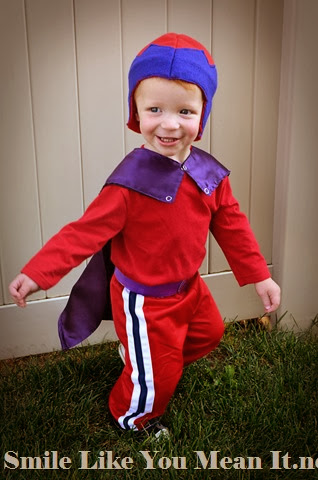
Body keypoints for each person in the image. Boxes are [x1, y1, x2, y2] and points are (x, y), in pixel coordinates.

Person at [9, 33, 280, 437]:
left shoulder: (208, 174)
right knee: (161, 375)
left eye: (185, 111)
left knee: (209, 333)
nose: (170, 124)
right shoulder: (128, 185)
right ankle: (133, 417)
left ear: (202, 115)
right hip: (145, 300)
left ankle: (146, 362)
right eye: (155, 109)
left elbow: (232, 223)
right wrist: (37, 274)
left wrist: (259, 274)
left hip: (189, 288)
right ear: (136, 112)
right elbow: (82, 234)